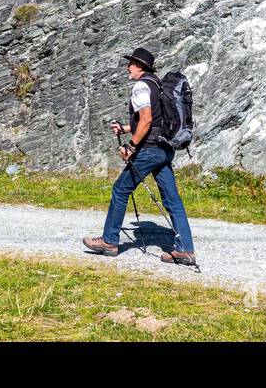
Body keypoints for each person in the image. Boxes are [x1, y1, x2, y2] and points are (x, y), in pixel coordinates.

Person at [83, 47, 197, 266]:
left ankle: (109, 241)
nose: (128, 67)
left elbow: (145, 120)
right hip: (164, 149)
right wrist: (126, 128)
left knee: (120, 189)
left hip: (149, 150)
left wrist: (131, 146)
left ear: (140, 67)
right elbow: (153, 121)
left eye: (131, 63)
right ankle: (186, 250)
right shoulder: (156, 85)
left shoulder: (141, 86)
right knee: (172, 200)